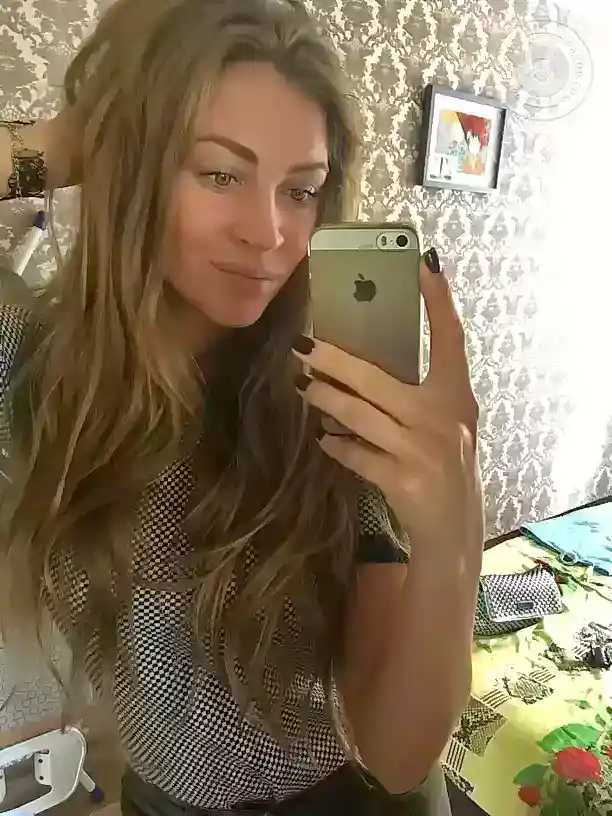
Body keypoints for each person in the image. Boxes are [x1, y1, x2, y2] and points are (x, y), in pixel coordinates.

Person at [0, 0, 483, 813]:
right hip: (161, 800)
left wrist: (452, 542)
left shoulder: (331, 388)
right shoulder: (32, 363)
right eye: (220, 174)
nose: (269, 233)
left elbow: (399, 757)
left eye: (302, 190)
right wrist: (78, 142)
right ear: (135, 165)